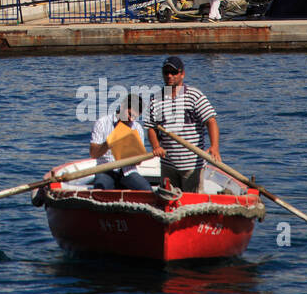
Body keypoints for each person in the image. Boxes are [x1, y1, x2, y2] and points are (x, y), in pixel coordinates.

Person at [144, 56, 220, 193]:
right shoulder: (156, 99)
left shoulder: (194, 95)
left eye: (173, 72)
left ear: (182, 74)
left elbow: (211, 121)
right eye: (166, 72)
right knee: (169, 199)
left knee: (192, 202)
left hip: (192, 165)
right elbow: (151, 127)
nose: (169, 76)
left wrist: (214, 147)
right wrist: (156, 146)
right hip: (168, 164)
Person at [88, 93, 151, 191]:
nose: (131, 119)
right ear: (122, 107)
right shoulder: (102, 123)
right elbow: (93, 154)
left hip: (128, 171)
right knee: (100, 191)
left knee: (147, 191)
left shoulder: (137, 128)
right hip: (105, 170)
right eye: (130, 114)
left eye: (134, 117)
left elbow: (138, 162)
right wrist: (108, 143)